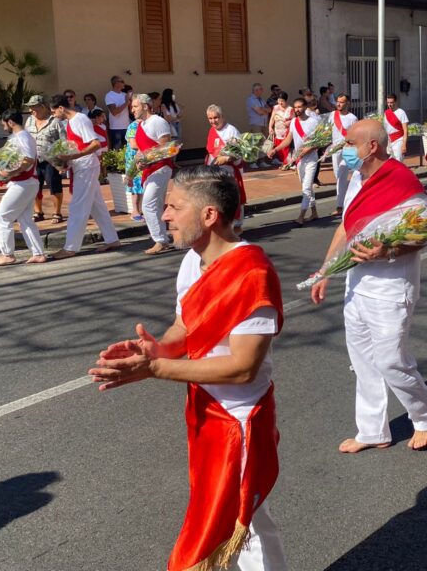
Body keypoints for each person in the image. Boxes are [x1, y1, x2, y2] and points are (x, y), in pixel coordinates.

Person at [90, 166, 288, 570]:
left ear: (210, 215)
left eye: (173, 207)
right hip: (204, 409)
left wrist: (157, 369)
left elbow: (242, 368)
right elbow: (185, 326)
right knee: (243, 520)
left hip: (239, 421)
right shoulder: (193, 262)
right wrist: (158, 348)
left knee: (240, 524)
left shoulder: (252, 275)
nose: (164, 216)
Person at [309, 120, 427, 453]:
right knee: (363, 362)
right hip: (357, 287)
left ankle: (425, 417)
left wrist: (390, 250)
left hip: (391, 289)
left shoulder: (402, 182)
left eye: (350, 144)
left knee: (391, 361)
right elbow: (345, 229)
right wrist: (326, 270)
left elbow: (426, 232)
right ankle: (372, 431)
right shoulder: (357, 179)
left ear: (372, 147)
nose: (345, 150)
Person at [50, 94, 121, 259]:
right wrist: (69, 161)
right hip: (82, 166)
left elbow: (95, 143)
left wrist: (73, 157)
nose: (54, 115)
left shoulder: (79, 119)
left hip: (86, 166)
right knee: (98, 206)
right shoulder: (72, 121)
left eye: (54, 112)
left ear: (61, 108)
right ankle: (112, 239)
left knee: (77, 207)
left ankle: (70, 247)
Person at [0, 110, 46, 266]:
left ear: (10, 122)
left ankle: (7, 254)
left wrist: (10, 172)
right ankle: (38, 253)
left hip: (23, 183)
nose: (3, 127)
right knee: (25, 219)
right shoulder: (22, 137)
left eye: (3, 123)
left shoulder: (22, 138)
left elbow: (27, 160)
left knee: (2, 217)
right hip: (26, 182)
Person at [132, 93, 175, 254]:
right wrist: (138, 160)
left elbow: (166, 147)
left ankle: (160, 240)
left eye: (135, 106)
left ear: (145, 106)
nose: (132, 109)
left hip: (161, 168)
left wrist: (146, 158)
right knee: (154, 205)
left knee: (148, 204)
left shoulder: (158, 122)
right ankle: (162, 238)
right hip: (149, 169)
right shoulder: (141, 125)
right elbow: (141, 149)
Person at [268, 97, 320, 225]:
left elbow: (321, 141)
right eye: (295, 107)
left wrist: (310, 148)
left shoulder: (314, 121)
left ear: (305, 107)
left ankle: (301, 216)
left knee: (307, 187)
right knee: (306, 187)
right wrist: (275, 149)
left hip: (312, 158)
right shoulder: (293, 122)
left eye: (300, 107)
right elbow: (288, 140)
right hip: (300, 159)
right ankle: (314, 212)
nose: (297, 109)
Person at [25, 95, 65, 223]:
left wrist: (63, 162)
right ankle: (38, 212)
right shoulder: (29, 121)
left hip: (51, 160)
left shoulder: (55, 122)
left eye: (33, 108)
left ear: (42, 107)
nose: (31, 111)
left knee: (54, 186)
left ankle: (57, 212)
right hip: (33, 160)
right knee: (35, 187)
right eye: (30, 108)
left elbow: (63, 142)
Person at [205, 104, 247, 224]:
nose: (213, 121)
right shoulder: (211, 131)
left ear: (222, 116)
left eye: (216, 117)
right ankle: (225, 224)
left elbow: (241, 151)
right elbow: (211, 151)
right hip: (216, 171)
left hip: (231, 170)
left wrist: (227, 158)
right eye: (210, 118)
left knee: (234, 197)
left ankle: (237, 225)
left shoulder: (231, 130)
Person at [330, 94, 358, 216]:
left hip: (347, 150)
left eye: (342, 102)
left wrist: (348, 144)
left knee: (341, 176)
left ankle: (340, 206)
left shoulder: (353, 118)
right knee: (338, 177)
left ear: (348, 104)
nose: (339, 104)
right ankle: (351, 197)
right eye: (338, 102)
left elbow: (355, 136)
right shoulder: (332, 115)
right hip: (334, 151)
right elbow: (326, 130)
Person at [124, 117, 144, 221]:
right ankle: (135, 211)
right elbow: (133, 144)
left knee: (141, 185)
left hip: (143, 158)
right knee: (136, 185)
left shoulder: (147, 124)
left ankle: (140, 209)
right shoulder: (134, 126)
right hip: (134, 159)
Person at [104, 76, 131, 149]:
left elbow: (130, 110)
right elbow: (114, 112)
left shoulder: (124, 95)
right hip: (116, 128)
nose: (124, 83)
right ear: (116, 83)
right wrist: (126, 103)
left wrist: (131, 101)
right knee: (117, 151)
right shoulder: (109, 95)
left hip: (127, 127)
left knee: (128, 150)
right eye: (122, 81)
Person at [268, 92, 294, 167]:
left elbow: (295, 119)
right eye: (279, 100)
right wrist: (270, 127)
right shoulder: (276, 107)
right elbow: (272, 118)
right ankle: (284, 161)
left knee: (286, 146)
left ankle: (287, 162)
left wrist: (289, 122)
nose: (280, 102)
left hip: (286, 131)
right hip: (277, 130)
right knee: (278, 145)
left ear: (286, 100)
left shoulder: (290, 109)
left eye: (282, 101)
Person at [383, 93, 409, 162]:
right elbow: (386, 128)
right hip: (389, 141)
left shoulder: (401, 112)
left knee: (398, 163)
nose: (389, 104)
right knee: (390, 162)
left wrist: (404, 144)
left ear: (395, 102)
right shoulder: (386, 113)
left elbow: (405, 131)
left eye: (391, 102)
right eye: (388, 102)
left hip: (399, 140)